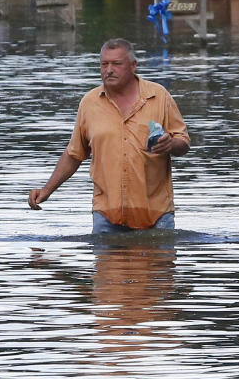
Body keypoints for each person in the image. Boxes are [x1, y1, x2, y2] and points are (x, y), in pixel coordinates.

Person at [28, 38, 191, 234]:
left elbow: (183, 143)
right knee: (108, 264)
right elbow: (74, 155)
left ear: (133, 66)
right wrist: (46, 191)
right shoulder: (89, 103)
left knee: (157, 263)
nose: (109, 70)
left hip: (156, 214)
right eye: (104, 64)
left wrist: (171, 144)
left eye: (117, 64)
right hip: (106, 215)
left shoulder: (159, 97)